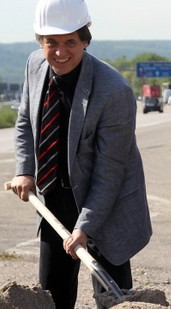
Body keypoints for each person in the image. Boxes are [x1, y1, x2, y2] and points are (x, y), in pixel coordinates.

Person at [8, 0, 152, 308]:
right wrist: (25, 169)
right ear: (40, 42)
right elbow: (24, 122)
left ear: (85, 40)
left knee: (113, 296)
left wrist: (84, 228)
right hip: (55, 197)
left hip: (108, 204)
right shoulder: (35, 65)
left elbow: (109, 173)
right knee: (53, 293)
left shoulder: (113, 91)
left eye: (70, 42)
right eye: (52, 43)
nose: (60, 52)